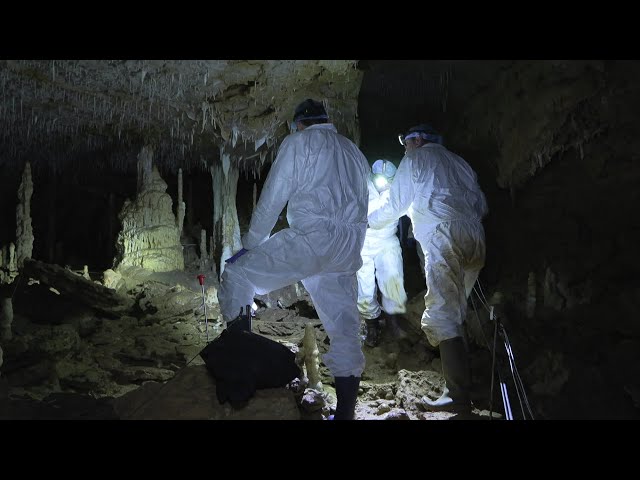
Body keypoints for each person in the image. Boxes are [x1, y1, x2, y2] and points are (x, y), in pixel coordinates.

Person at [218, 99, 370, 420]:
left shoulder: (299, 142)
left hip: (312, 237)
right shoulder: (351, 150)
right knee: (344, 328)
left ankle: (239, 377)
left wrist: (250, 243)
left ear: (299, 123)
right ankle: (345, 414)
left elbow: (274, 196)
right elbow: (364, 197)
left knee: (237, 275)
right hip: (348, 245)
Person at [367, 124, 488, 413]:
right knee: (456, 311)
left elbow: (395, 204)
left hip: (443, 235)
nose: (404, 149)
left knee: (444, 312)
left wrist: (367, 221)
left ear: (417, 140)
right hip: (475, 238)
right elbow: (481, 205)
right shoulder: (460, 162)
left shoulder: (416, 159)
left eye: (406, 143)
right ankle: (464, 383)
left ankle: (457, 396)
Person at [356, 159, 408, 347]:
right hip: (363, 242)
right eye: (380, 179)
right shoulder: (360, 186)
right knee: (364, 287)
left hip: (387, 240)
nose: (384, 182)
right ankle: (372, 325)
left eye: (388, 179)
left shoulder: (397, 188)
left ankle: (394, 324)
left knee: (393, 280)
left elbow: (407, 208)